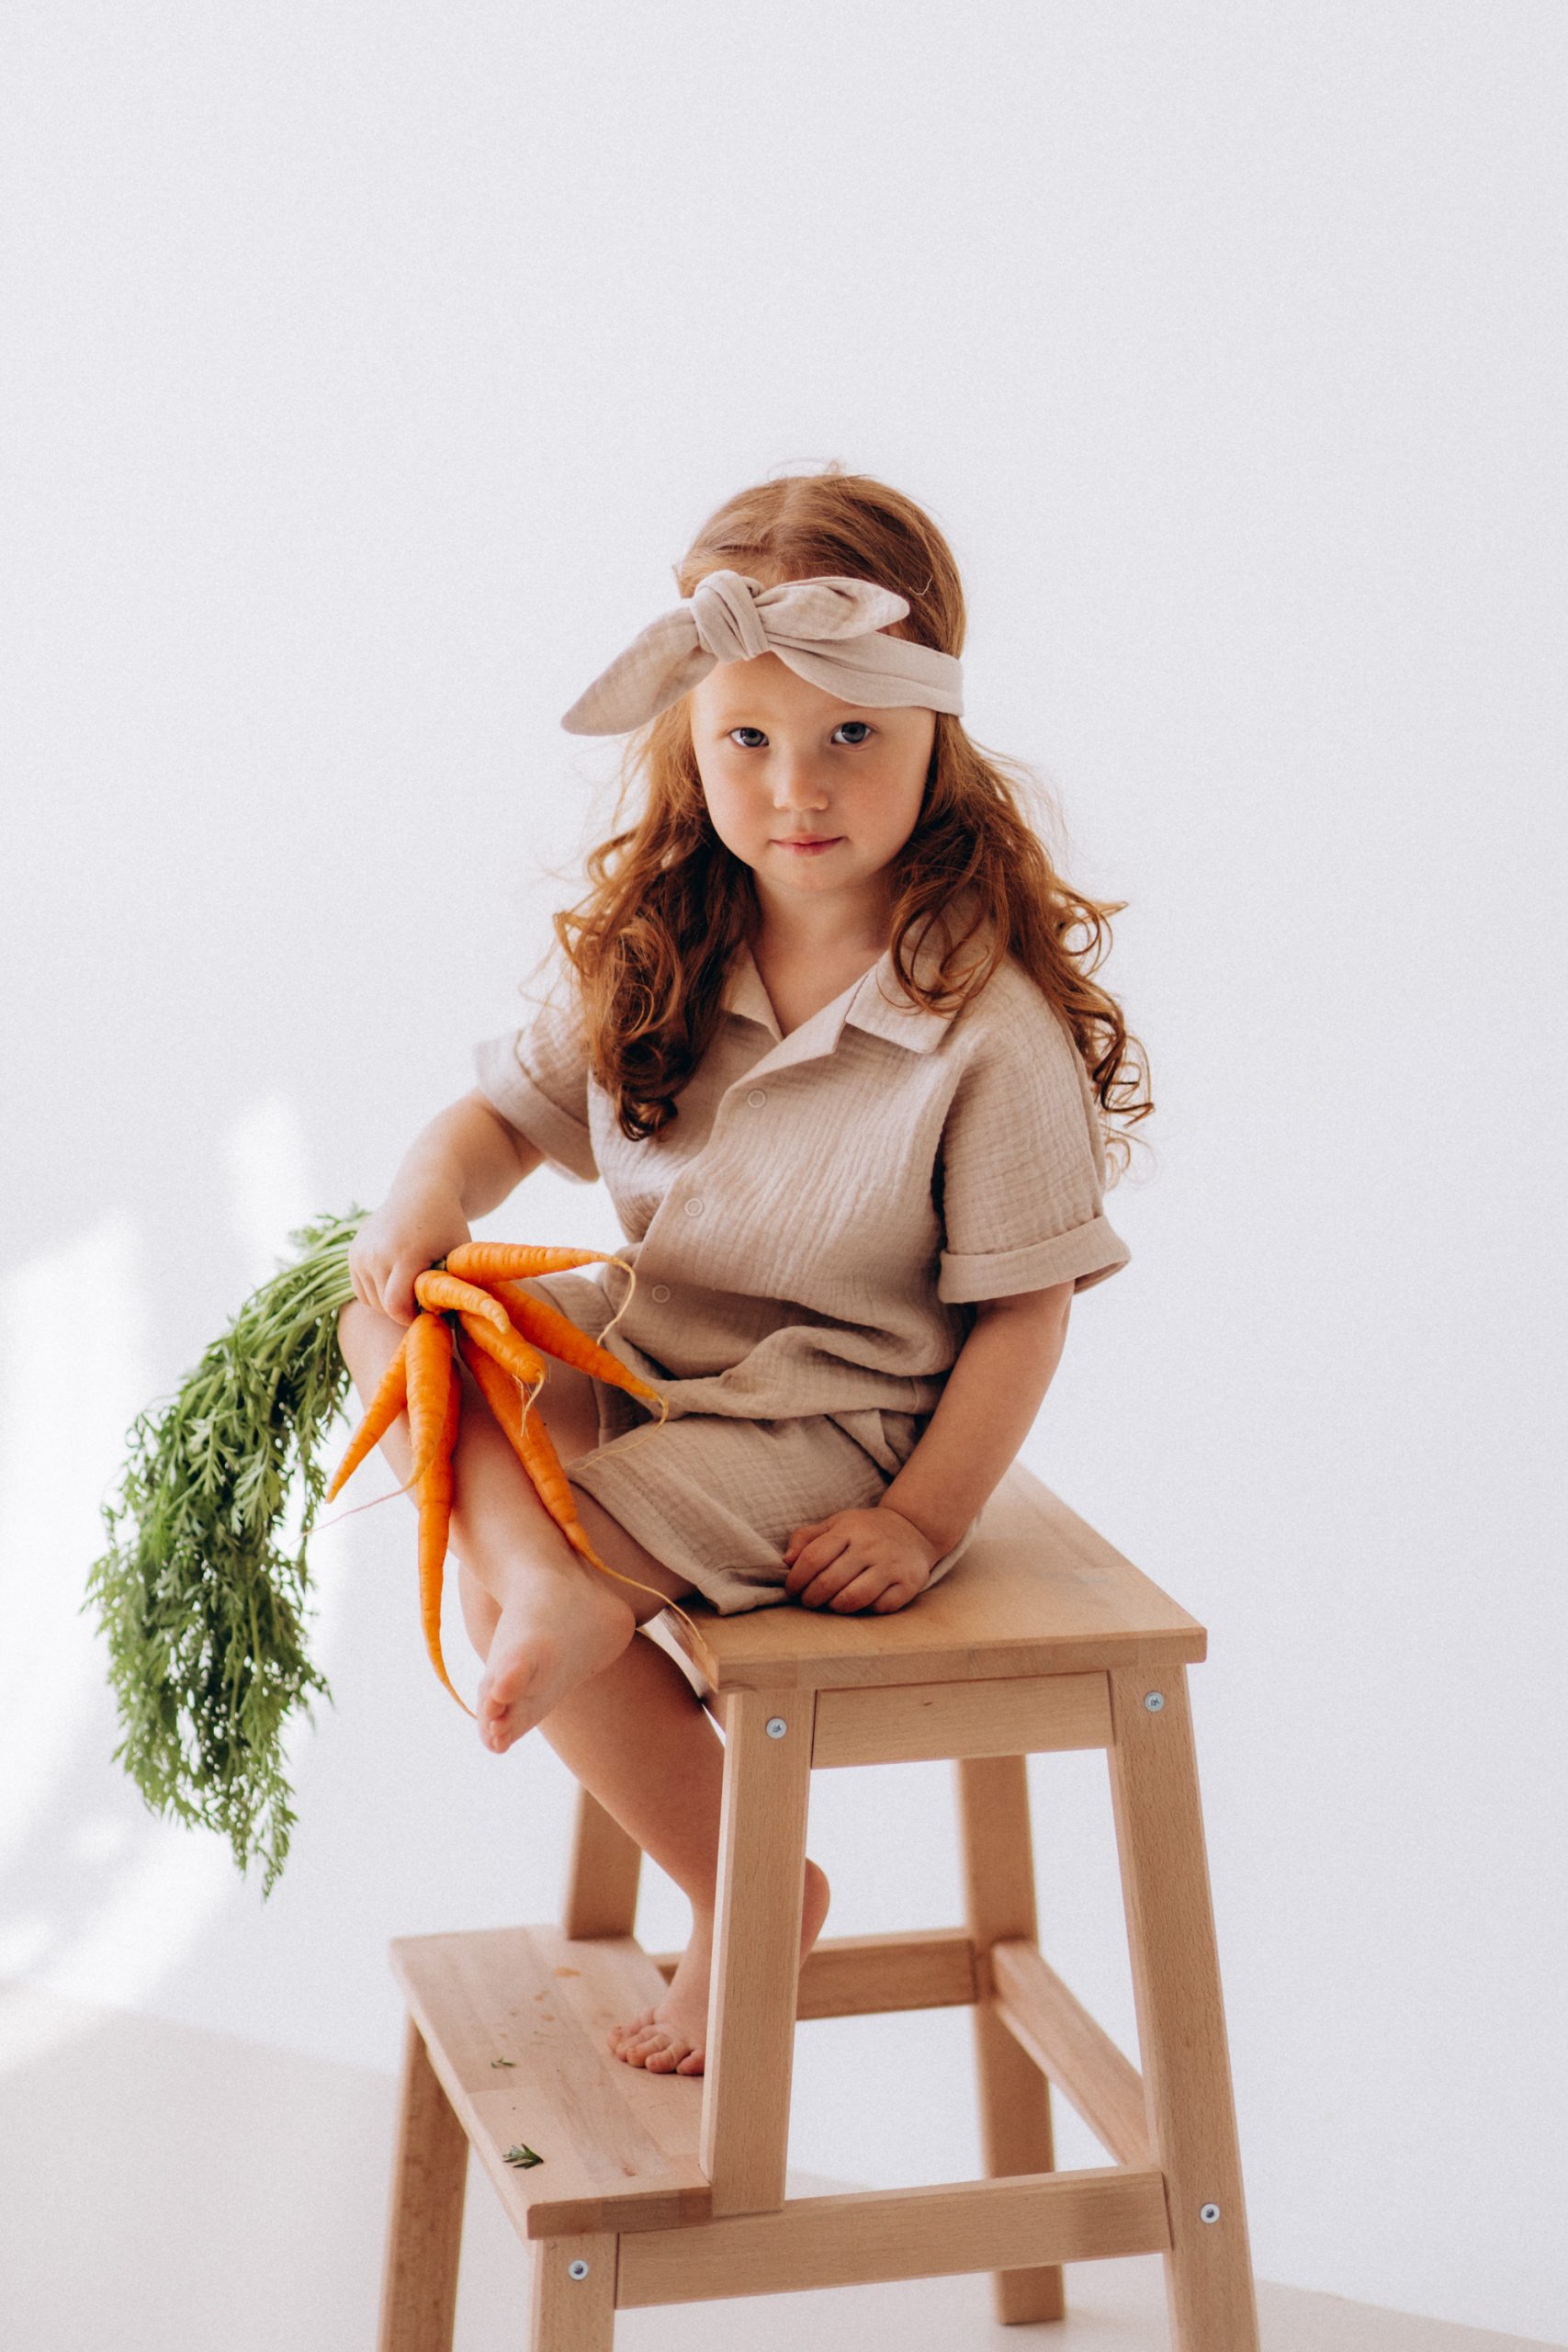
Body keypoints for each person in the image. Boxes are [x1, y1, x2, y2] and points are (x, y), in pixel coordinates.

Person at [338, 465, 1152, 2075]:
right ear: (691, 741)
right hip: (651, 1347)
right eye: (749, 740)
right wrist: (424, 1199)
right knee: (400, 1332)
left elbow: (1023, 1311)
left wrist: (921, 1520)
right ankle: (545, 1578)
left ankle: (752, 1885)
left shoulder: (981, 1026)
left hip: (829, 1413)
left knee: (526, 1586)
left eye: (852, 733)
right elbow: (499, 1120)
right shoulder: (673, 935)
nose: (799, 787)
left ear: (937, 737)